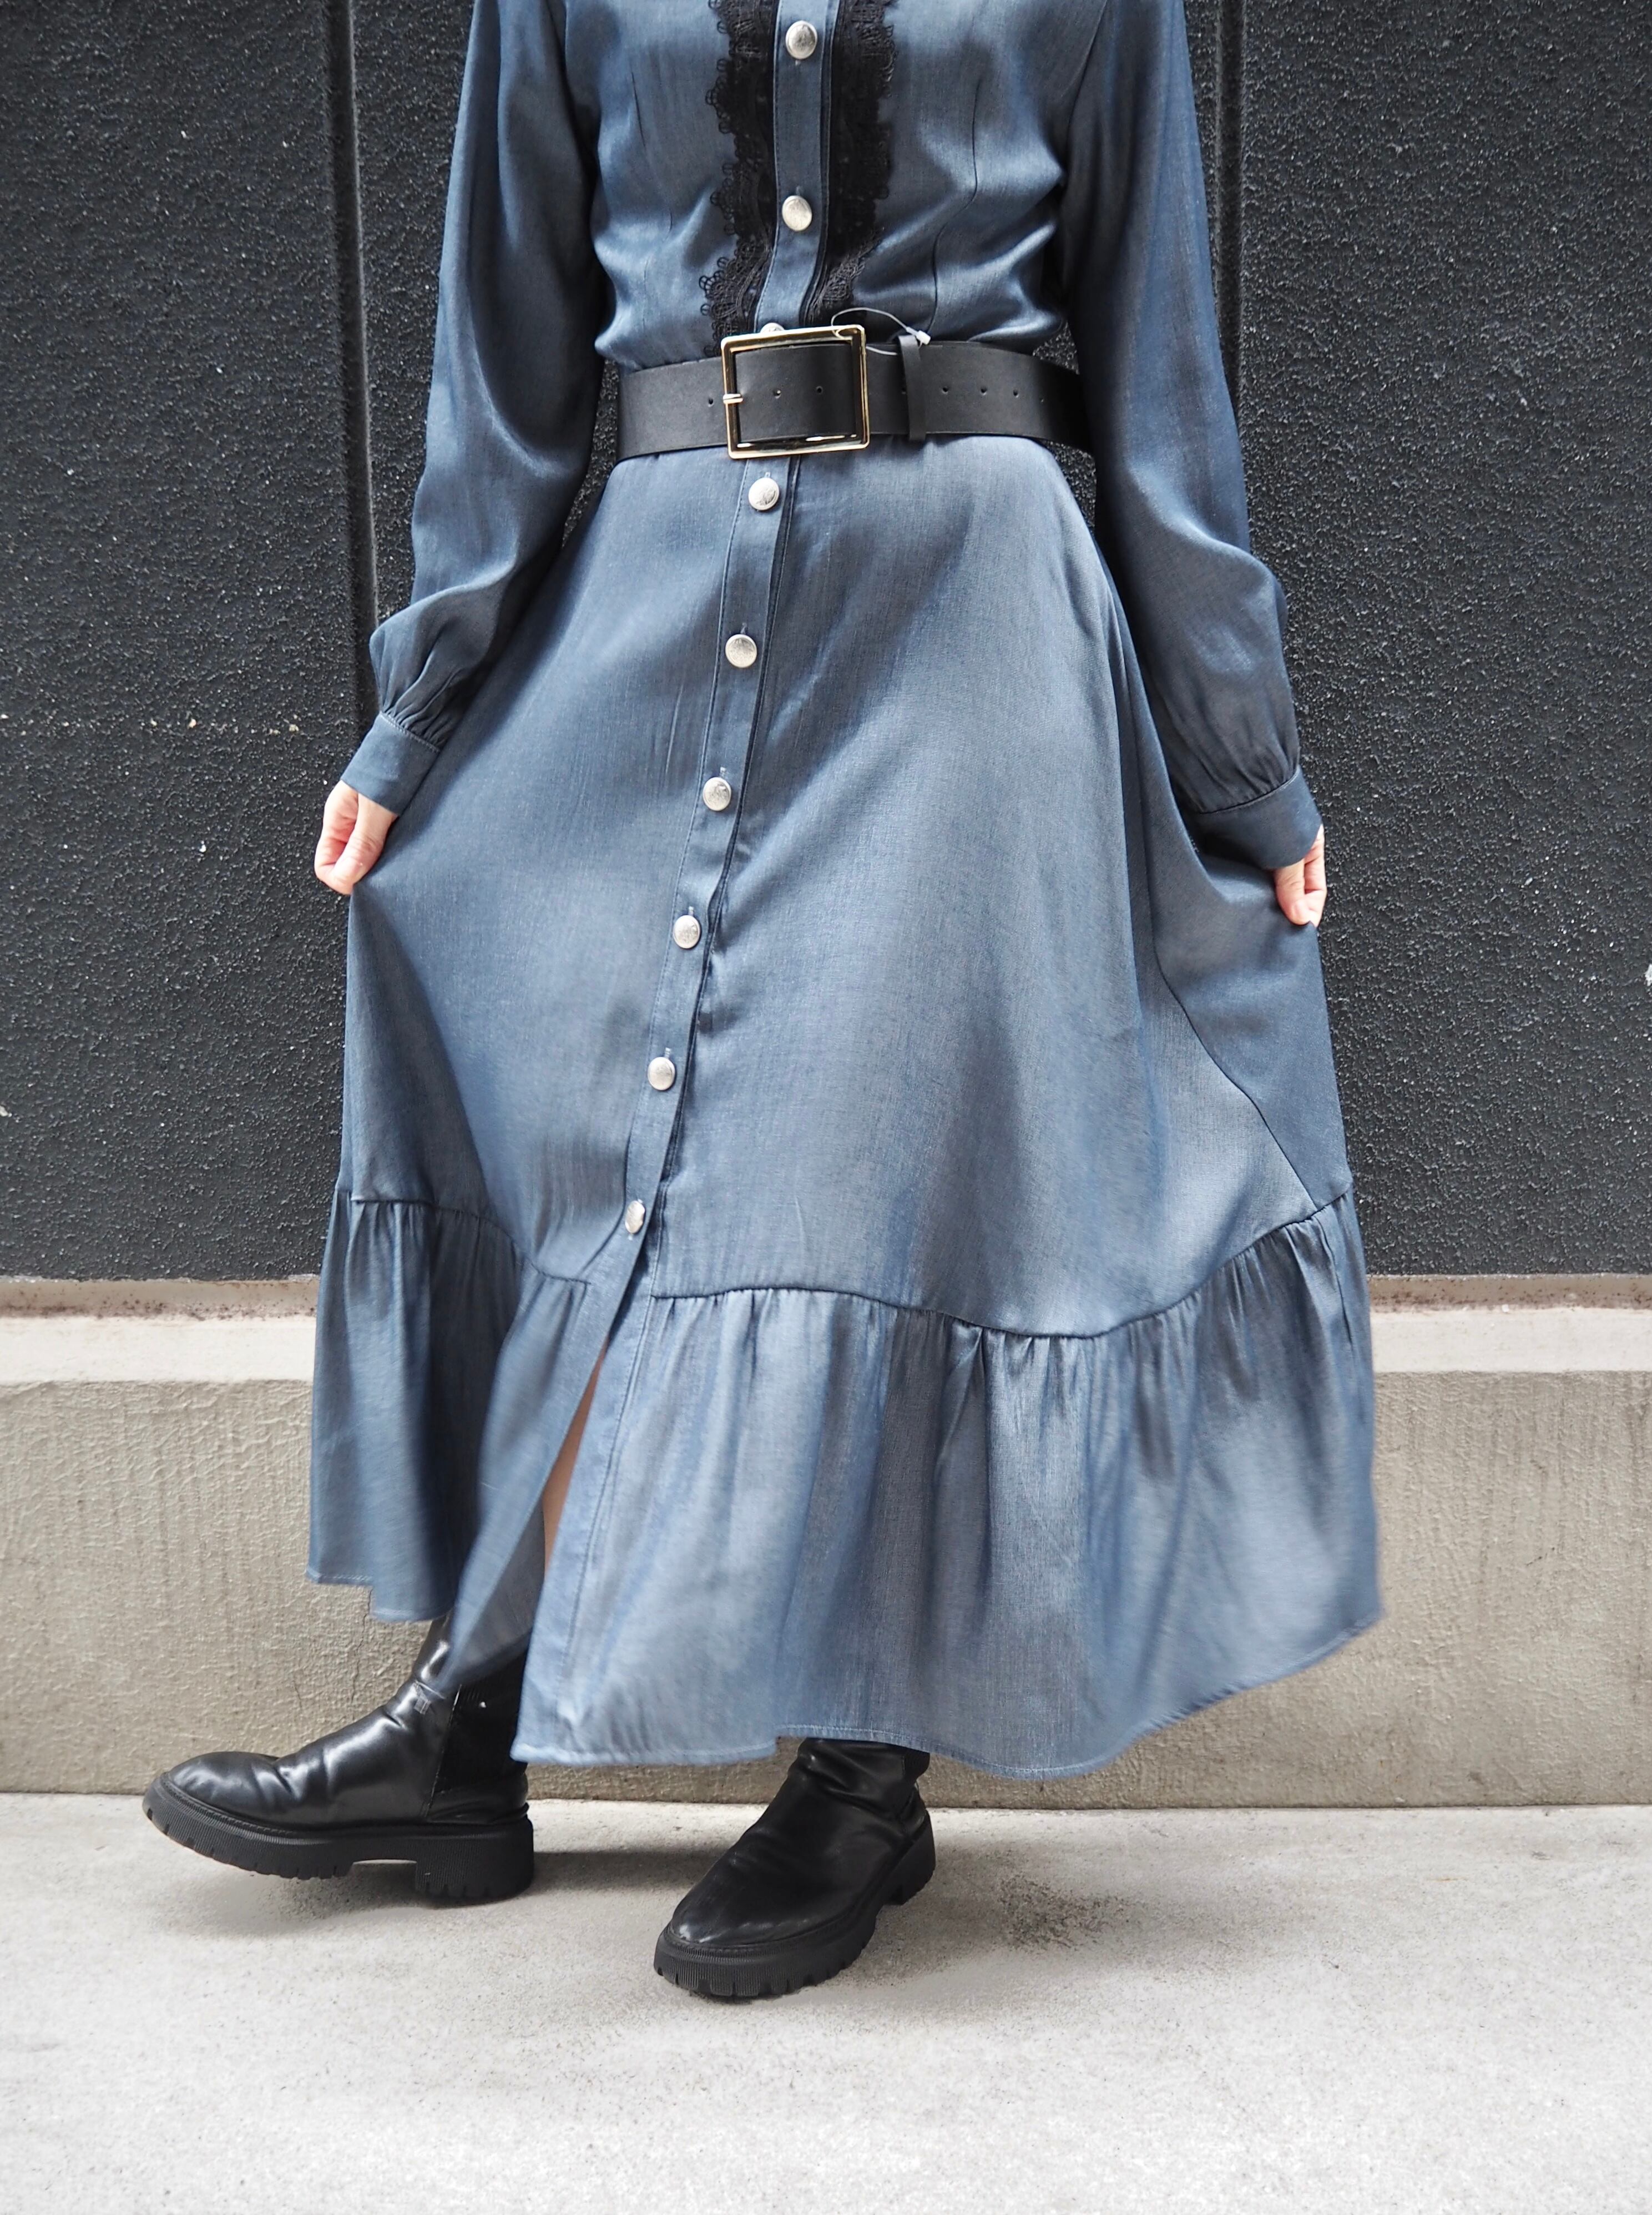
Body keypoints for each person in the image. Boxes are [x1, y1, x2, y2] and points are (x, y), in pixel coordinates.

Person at [145, 0, 1378, 2001]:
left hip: (965, 620)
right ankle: (472, 1719)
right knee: (582, 1118)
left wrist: (1241, 760)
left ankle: (862, 1775)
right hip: (646, 596)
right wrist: (425, 704)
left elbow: (1161, 366)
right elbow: (504, 342)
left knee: (879, 1173)